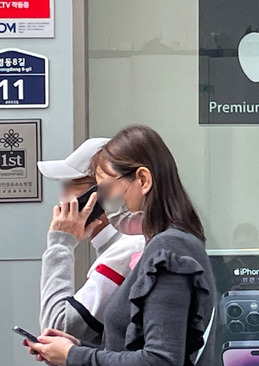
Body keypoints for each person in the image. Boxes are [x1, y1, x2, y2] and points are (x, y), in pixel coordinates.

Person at [26, 125, 217, 365]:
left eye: (105, 188)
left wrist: (74, 356)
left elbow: (160, 360)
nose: (104, 200)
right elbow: (141, 347)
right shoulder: (170, 245)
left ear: (143, 180)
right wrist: (77, 348)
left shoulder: (168, 249)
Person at [38, 138, 145, 345]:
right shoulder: (116, 246)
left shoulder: (128, 247)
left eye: (72, 185)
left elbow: (58, 328)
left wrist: (60, 244)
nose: (62, 196)